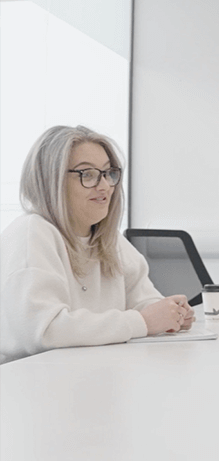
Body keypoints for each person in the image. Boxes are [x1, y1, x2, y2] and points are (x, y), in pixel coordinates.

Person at [0, 125, 194, 364]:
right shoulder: (32, 233)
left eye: (107, 173)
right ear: (52, 180)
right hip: (31, 384)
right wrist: (142, 322)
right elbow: (43, 331)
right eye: (87, 175)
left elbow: (143, 300)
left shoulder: (107, 239)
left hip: (89, 373)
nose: (105, 187)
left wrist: (171, 313)